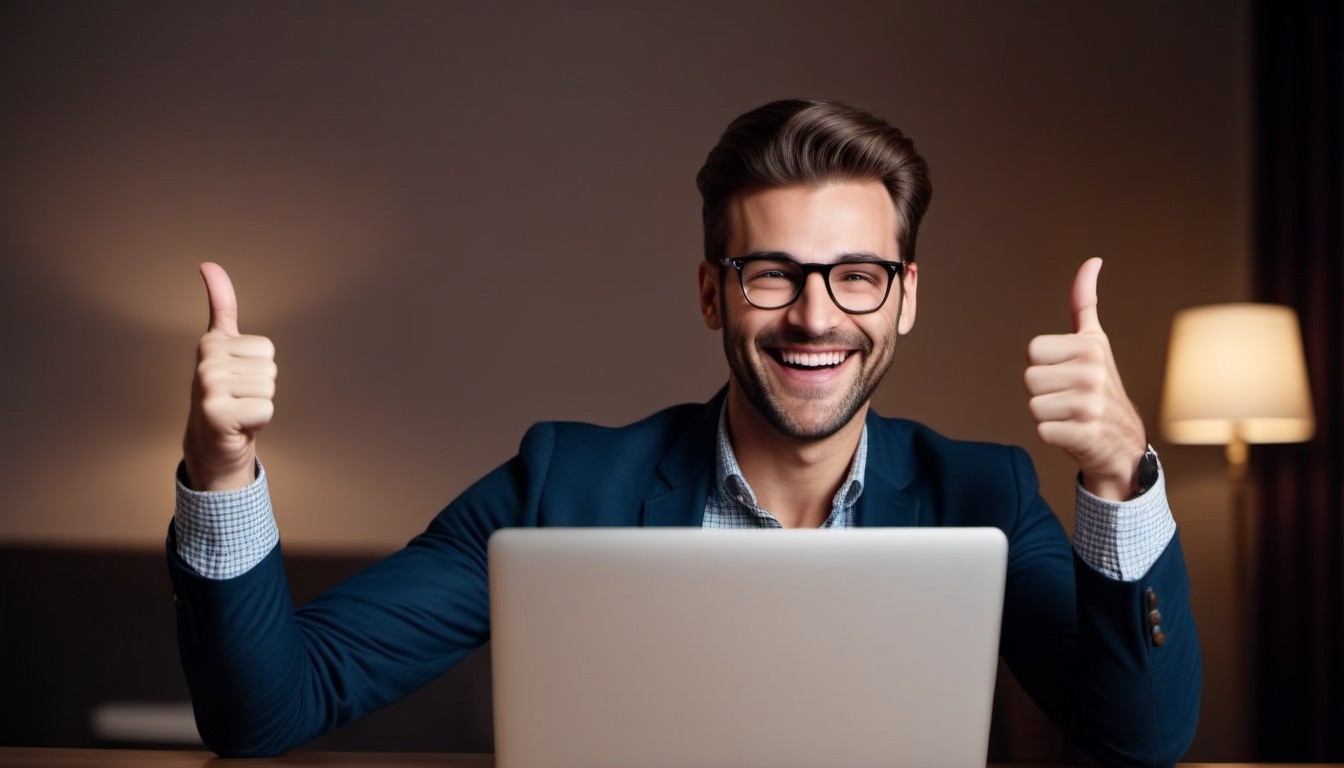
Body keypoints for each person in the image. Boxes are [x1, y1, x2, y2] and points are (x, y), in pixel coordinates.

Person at [169, 98, 1201, 765]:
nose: (815, 316)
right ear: (713, 293)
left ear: (906, 296)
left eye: (857, 275)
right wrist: (223, 470)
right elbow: (269, 712)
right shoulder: (561, 484)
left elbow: (1141, 742)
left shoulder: (986, 496)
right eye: (772, 274)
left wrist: (1120, 477)